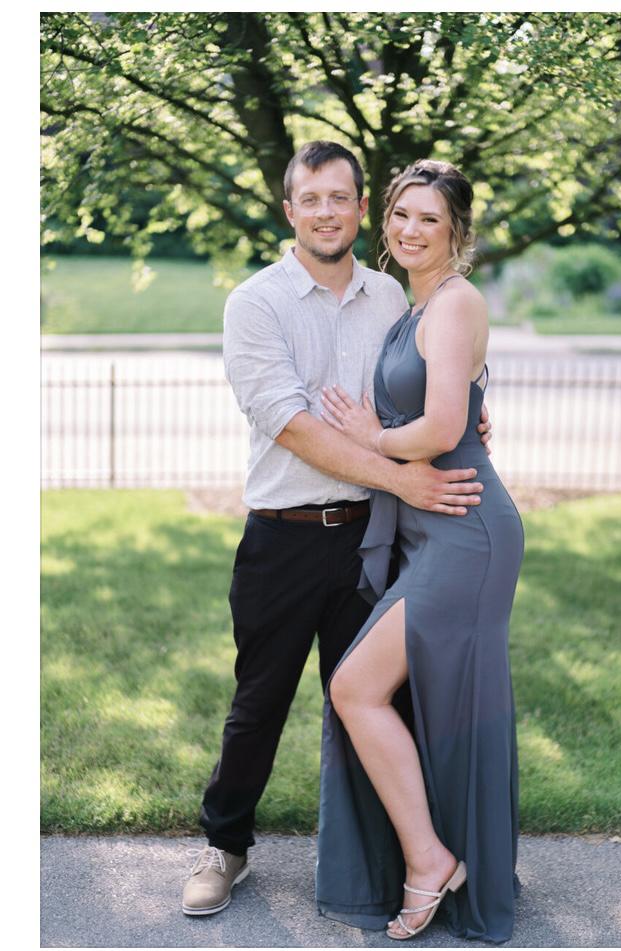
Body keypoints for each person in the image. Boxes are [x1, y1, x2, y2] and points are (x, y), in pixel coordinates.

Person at [181, 142, 493, 917]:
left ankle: (375, 866)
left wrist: (470, 414)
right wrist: (402, 473)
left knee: (374, 701)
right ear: (290, 210)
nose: (326, 212)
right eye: (311, 199)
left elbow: (429, 381)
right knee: (259, 702)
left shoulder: (392, 296)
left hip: (375, 536)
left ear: (360, 208)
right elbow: (292, 425)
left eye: (340, 198)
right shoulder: (256, 303)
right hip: (283, 535)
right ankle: (225, 845)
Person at [315, 160, 524, 943]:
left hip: (465, 531)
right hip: (433, 528)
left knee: (358, 687)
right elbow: (458, 405)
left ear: (456, 231)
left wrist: (372, 437)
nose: (409, 229)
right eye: (401, 214)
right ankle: (439, 856)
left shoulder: (456, 300)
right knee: (396, 694)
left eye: (429, 218)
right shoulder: (419, 306)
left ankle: (433, 860)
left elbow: (441, 428)